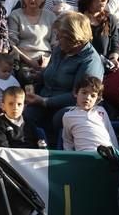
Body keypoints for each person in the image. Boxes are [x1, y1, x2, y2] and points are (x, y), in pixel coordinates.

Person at [24, 12, 104, 144]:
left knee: (61, 117)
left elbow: (80, 95)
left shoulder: (90, 61)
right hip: (44, 99)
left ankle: (55, 150)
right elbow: (51, 73)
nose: (56, 40)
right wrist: (38, 75)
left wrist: (45, 101)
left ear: (74, 38)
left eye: (60, 37)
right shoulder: (59, 50)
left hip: (71, 106)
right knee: (27, 113)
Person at [7, 0, 56, 78]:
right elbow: (12, 43)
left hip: (47, 60)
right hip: (23, 59)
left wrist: (48, 59)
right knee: (27, 76)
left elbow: (56, 44)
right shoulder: (16, 15)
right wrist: (30, 61)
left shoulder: (51, 16)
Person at [62, 76, 117, 151]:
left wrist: (117, 154)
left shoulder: (101, 111)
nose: (88, 97)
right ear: (76, 93)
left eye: (93, 95)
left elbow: (111, 134)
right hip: (85, 156)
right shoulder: (68, 116)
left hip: (107, 155)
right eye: (84, 92)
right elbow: (68, 141)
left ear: (98, 99)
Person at [78, 0, 119, 72]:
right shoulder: (76, 19)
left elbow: (115, 45)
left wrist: (113, 59)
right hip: (81, 66)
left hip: (104, 67)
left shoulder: (110, 19)